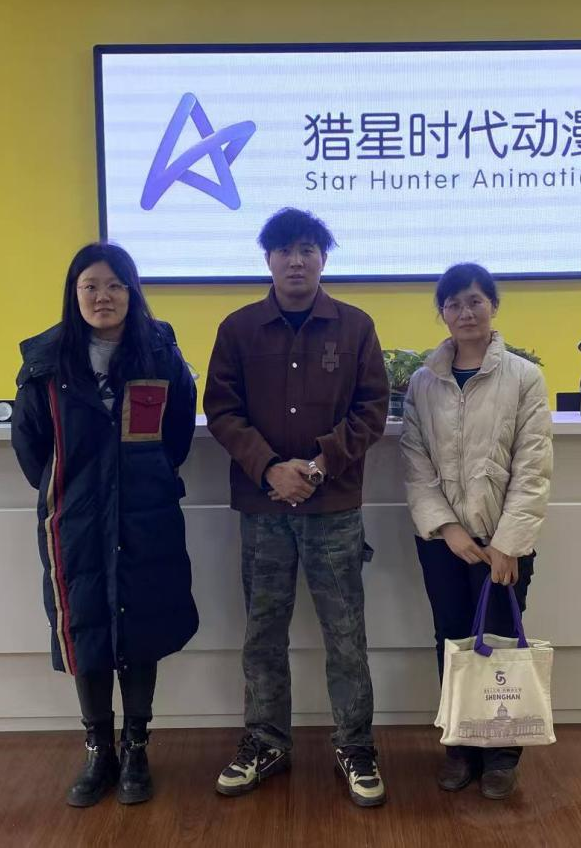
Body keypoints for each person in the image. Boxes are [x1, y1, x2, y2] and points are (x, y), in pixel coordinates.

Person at [204, 208, 390, 808]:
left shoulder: (355, 327)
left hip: (333, 507)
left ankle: (355, 746)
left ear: (323, 259)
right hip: (263, 509)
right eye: (284, 250)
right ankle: (265, 742)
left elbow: (372, 410)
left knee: (345, 635)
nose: (296, 261)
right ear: (268, 259)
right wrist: (269, 468)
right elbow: (222, 411)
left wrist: (317, 465)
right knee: (262, 633)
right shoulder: (238, 329)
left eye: (308, 249)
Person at [11, 242, 198, 808]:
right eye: (90, 285)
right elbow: (31, 445)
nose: (103, 296)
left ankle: (136, 747)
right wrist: (73, 491)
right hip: (76, 519)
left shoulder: (159, 353)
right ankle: (99, 750)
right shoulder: (47, 361)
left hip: (146, 512)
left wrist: (142, 477)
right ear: (74, 293)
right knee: (86, 627)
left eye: (116, 285)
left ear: (132, 292)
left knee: (141, 627)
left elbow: (177, 434)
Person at [399, 262, 552, 800]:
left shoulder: (524, 377)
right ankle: (460, 744)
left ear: (493, 307)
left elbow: (533, 468)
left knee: (500, 641)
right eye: (454, 303)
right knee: (453, 640)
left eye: (475, 301)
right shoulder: (423, 382)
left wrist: (507, 544)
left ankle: (502, 754)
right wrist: (446, 529)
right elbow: (415, 462)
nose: (465, 312)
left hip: (503, 545)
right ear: (442, 313)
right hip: (444, 544)